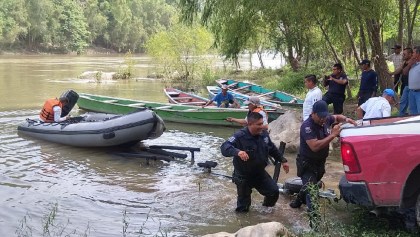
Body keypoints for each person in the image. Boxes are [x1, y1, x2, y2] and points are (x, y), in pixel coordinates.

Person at [289, 100, 356, 211]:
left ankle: (297, 201)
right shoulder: (307, 126)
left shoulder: (326, 119)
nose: (322, 120)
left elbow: (337, 117)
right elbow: (314, 146)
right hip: (307, 164)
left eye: (324, 117)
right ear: (313, 113)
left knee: (310, 187)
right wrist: (333, 135)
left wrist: (346, 119)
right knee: (313, 196)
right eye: (320, 117)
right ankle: (315, 225)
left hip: (320, 164)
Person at [220, 112, 290, 212]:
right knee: (243, 207)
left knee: (273, 192)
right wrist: (238, 152)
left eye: (262, 123)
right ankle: (242, 224)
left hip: (259, 173)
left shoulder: (264, 134)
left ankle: (265, 211)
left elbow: (272, 148)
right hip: (243, 176)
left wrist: (283, 160)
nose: (262, 126)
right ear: (249, 124)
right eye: (259, 124)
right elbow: (224, 147)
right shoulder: (240, 136)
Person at [389, 47, 413, 115]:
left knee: (412, 104)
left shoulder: (414, 62)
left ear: (410, 54)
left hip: (413, 87)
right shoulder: (404, 62)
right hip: (406, 86)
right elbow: (399, 69)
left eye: (404, 54)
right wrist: (391, 73)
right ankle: (401, 115)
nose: (403, 56)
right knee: (403, 102)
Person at [406, 46, 420, 115]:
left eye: (414, 53)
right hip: (411, 92)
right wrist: (409, 65)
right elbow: (404, 72)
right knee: (413, 113)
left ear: (418, 54)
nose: (412, 54)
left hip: (419, 93)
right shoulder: (412, 64)